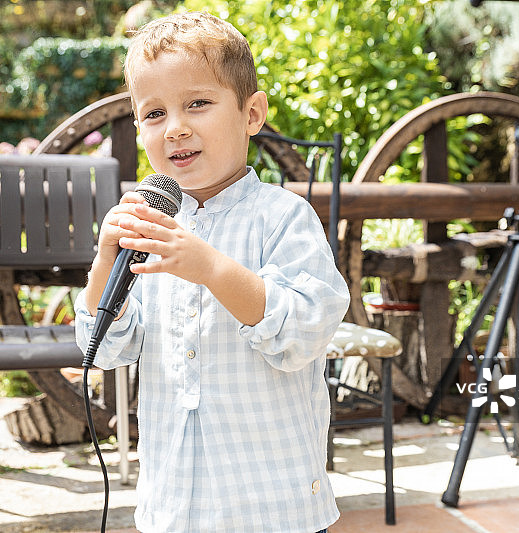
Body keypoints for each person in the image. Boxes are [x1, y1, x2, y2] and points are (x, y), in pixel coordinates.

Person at [74, 11, 349, 533]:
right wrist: (104, 263)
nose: (175, 127)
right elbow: (107, 349)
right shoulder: (148, 224)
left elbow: (301, 332)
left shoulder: (283, 216)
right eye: (154, 114)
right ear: (139, 129)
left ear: (252, 113)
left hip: (272, 504)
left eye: (197, 103)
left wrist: (211, 268)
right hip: (174, 504)